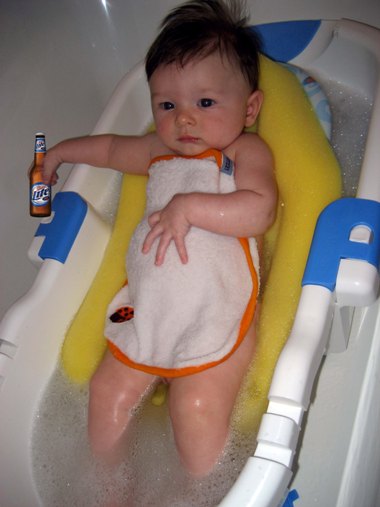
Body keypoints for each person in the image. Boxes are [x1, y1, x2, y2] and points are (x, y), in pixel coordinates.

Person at [42, 0, 277, 477]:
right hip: (144, 307)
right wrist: (62, 152)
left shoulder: (242, 150)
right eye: (167, 105)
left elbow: (260, 209)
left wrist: (189, 208)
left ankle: (200, 489)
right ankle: (112, 486)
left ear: (249, 108)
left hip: (216, 312)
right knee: (107, 394)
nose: (183, 120)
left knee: (195, 412)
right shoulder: (156, 150)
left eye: (205, 103)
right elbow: (109, 148)